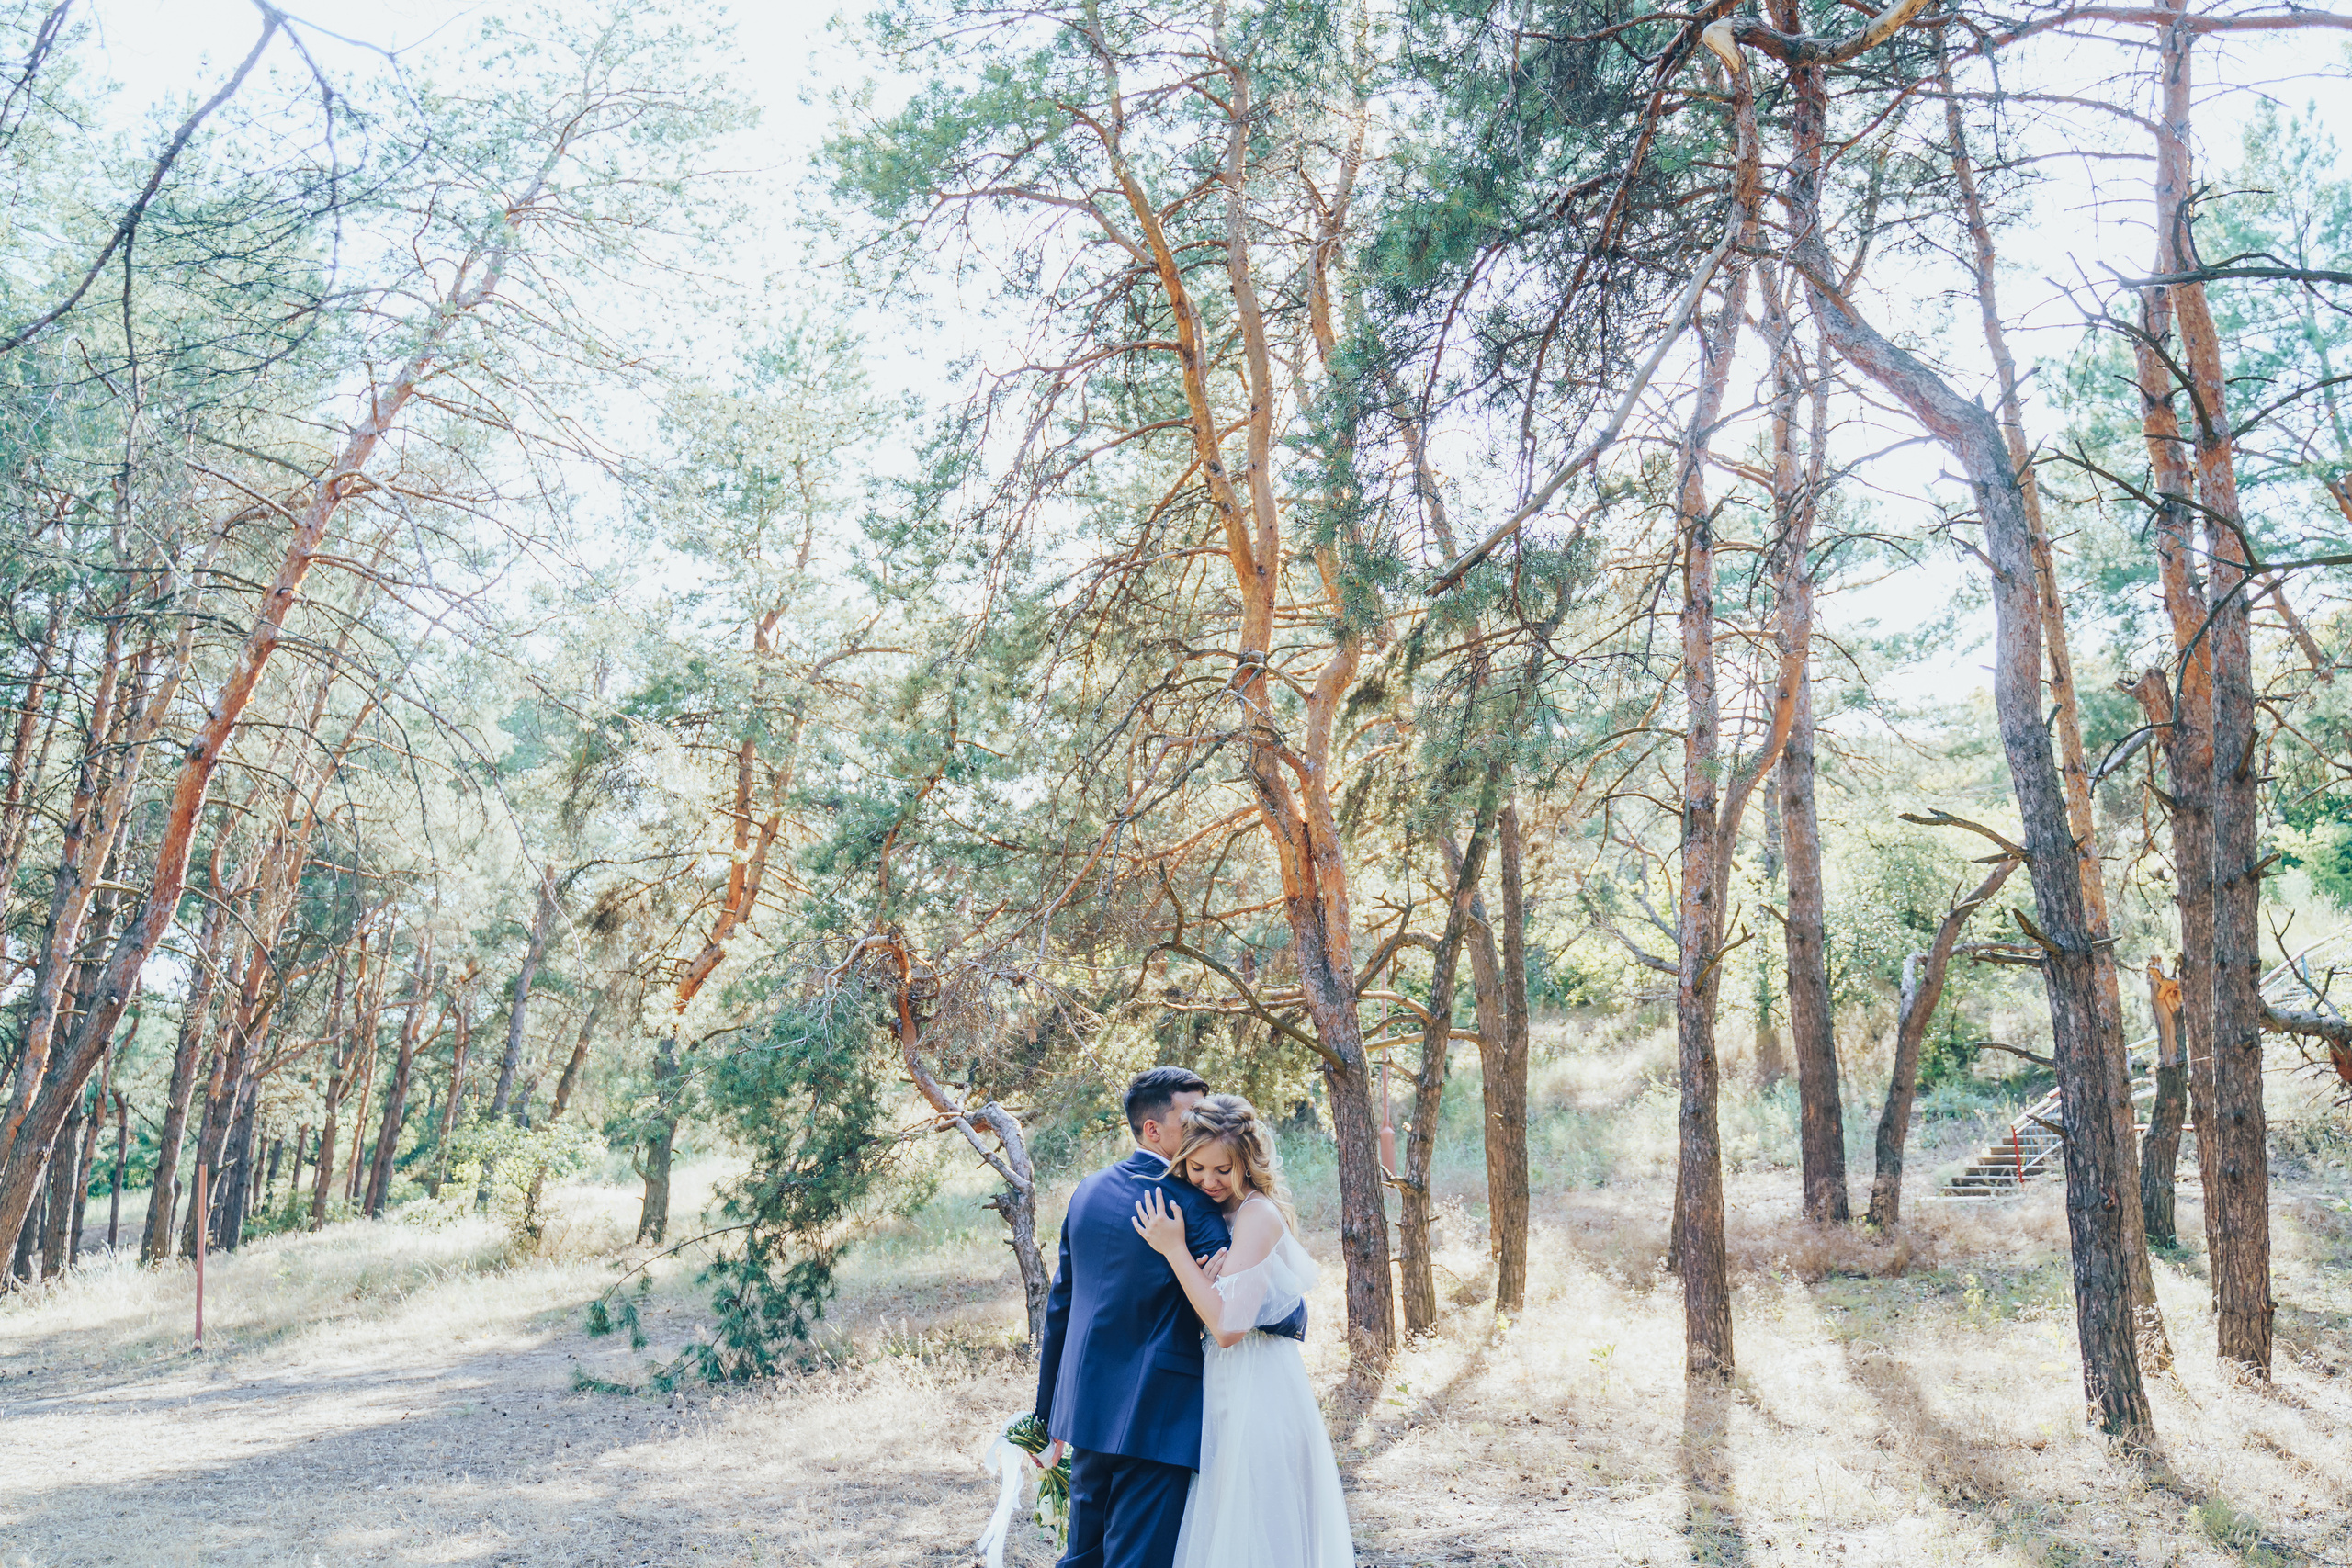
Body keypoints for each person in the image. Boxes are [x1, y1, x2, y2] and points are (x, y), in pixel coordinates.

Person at [1033, 1067, 1295, 1568]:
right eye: (1190, 1116)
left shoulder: (1087, 1190)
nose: (1203, 1125)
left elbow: (1060, 1306)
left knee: (1083, 1556)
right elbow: (1240, 1310)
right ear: (1153, 1129)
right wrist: (1294, 1309)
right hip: (1156, 1416)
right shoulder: (1194, 1206)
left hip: (1086, 1408)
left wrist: (1047, 1413)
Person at [1132, 1092, 1353, 1568]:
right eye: (1197, 1168)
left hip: (1259, 1380)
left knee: (1258, 1514)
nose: (1208, 1181)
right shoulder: (1208, 1209)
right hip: (1219, 1377)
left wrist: (1174, 1251)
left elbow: (1231, 1328)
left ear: (1247, 1165)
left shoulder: (1256, 1214)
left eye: (1222, 1170)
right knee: (1224, 1511)